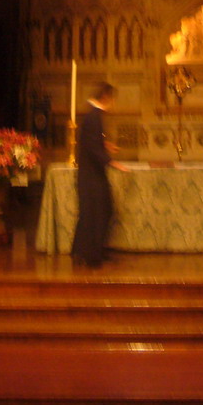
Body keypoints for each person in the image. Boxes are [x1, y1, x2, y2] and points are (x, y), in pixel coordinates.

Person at [71, 82, 125, 267]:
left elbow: (91, 142)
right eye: (112, 100)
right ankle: (91, 255)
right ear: (106, 97)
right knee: (96, 212)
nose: (113, 104)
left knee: (96, 211)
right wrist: (112, 163)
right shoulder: (94, 116)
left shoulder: (94, 116)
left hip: (92, 174)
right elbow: (92, 148)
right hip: (91, 175)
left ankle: (85, 251)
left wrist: (106, 146)